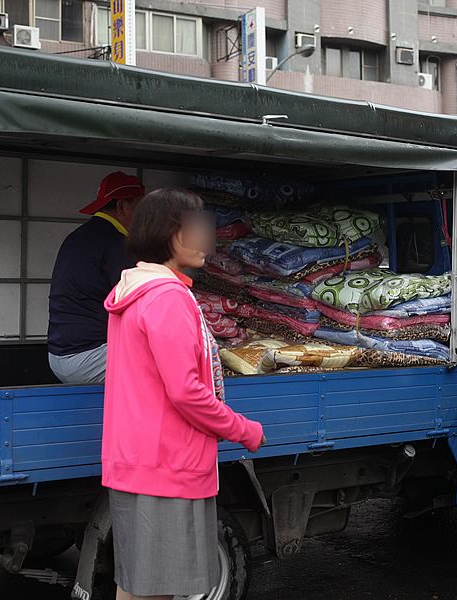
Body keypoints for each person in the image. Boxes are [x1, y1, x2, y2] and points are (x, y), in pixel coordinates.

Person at [102, 188, 265, 600]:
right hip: (166, 468)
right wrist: (243, 429)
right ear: (172, 235)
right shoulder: (168, 298)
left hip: (138, 462)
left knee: (137, 588)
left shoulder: (134, 291)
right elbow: (187, 393)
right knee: (155, 591)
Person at [47, 171, 145, 384]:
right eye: (141, 208)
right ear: (121, 207)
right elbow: (136, 307)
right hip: (89, 357)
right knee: (166, 362)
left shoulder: (77, 236)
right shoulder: (117, 245)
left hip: (57, 357)